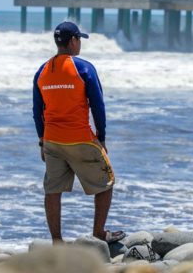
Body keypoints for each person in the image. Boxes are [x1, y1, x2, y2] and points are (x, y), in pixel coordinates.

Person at [33, 21, 125, 244]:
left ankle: (57, 241)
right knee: (106, 182)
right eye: (79, 39)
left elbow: (37, 111)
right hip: (80, 138)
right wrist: (101, 137)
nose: (80, 44)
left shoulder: (42, 71)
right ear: (73, 41)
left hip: (53, 140)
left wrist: (42, 141)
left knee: (53, 190)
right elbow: (98, 105)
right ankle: (99, 233)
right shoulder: (84, 68)